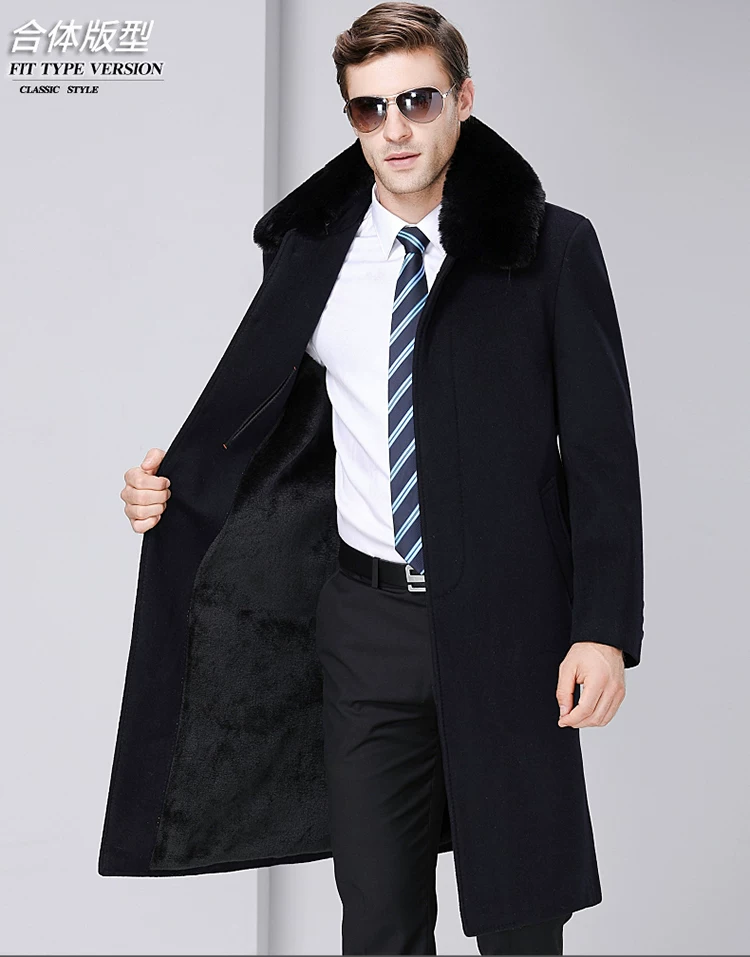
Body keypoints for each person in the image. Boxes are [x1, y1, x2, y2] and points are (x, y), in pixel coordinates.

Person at [106, 3, 644, 954]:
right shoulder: (310, 255)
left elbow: (602, 459)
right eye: (369, 108)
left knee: (522, 920)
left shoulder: (552, 249)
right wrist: (169, 492)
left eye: (417, 100)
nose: (394, 129)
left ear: (463, 100)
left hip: (512, 625)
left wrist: (601, 629)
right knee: (380, 921)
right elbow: (264, 426)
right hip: (366, 624)